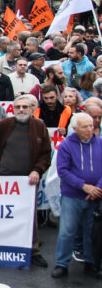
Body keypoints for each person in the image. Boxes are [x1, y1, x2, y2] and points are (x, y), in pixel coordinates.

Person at [0, 94, 52, 268]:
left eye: (25, 107)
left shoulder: (39, 126)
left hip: (28, 181)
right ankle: (3, 248)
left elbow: (45, 153)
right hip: (7, 180)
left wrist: (37, 170)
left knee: (30, 216)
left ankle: (33, 251)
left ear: (32, 109)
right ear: (13, 109)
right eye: (18, 107)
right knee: (5, 213)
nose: (21, 110)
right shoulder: (3, 125)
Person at [51, 112, 102, 279]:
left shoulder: (100, 143)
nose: (90, 129)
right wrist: (84, 186)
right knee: (67, 230)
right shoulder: (66, 145)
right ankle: (61, 264)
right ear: (75, 129)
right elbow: (63, 171)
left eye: (91, 125)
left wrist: (97, 188)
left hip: (95, 195)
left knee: (91, 231)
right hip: (72, 195)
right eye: (85, 126)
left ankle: (90, 262)